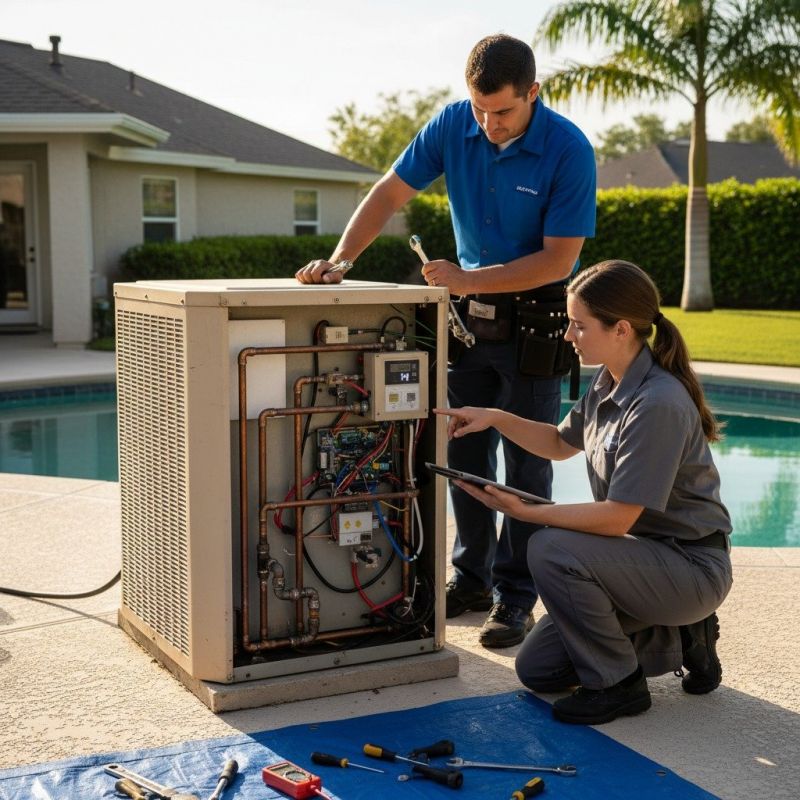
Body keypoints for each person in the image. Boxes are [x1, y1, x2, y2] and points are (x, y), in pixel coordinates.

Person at [295, 34, 596, 648]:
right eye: (479, 108)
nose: (487, 123)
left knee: (528, 465)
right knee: (463, 456)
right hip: (465, 325)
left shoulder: (568, 149)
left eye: (503, 111)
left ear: (533, 93)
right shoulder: (453, 125)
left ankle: (516, 598)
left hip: (534, 322)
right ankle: (472, 578)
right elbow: (388, 192)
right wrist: (340, 261)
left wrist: (467, 278)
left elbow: (558, 262)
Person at [434, 260, 733, 724]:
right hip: (640, 560)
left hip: (689, 567)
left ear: (621, 329)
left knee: (551, 547)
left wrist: (531, 513)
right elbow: (558, 443)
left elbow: (616, 520)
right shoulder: (609, 379)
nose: (568, 335)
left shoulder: (656, 403)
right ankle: (683, 638)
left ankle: (619, 686)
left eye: (578, 325)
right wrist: (494, 416)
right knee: (539, 669)